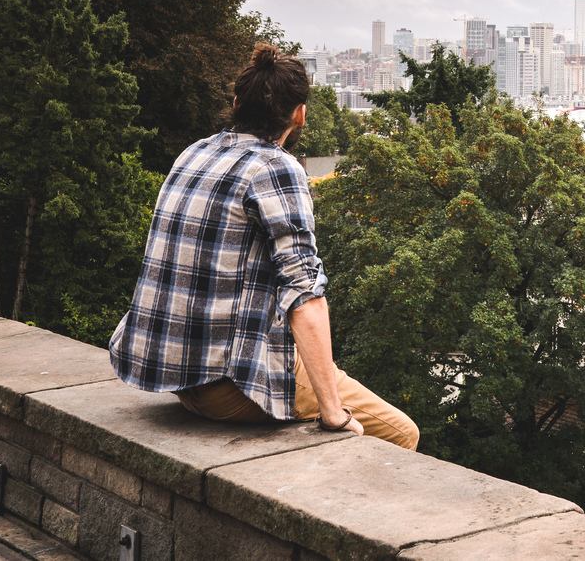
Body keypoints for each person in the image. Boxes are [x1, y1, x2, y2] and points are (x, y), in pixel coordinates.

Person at [109, 44, 418, 450]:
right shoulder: (276, 167)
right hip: (230, 388)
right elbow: (304, 295)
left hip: (171, 374)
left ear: (237, 103)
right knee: (401, 434)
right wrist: (333, 414)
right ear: (300, 114)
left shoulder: (195, 152)